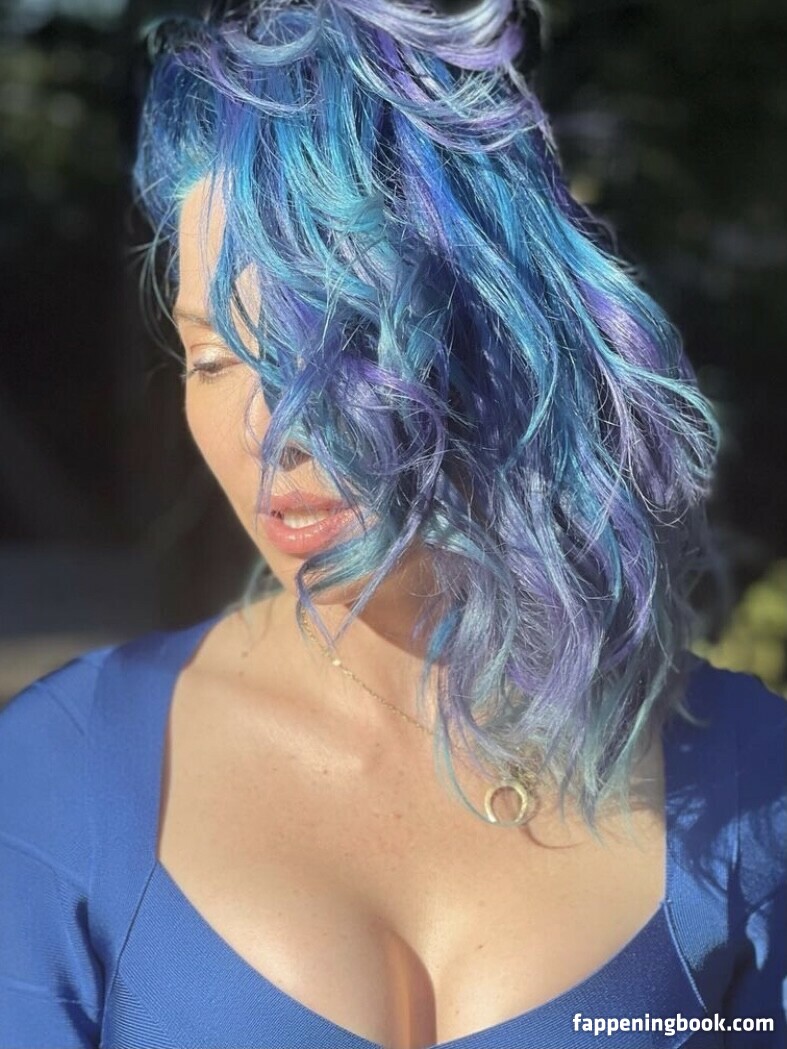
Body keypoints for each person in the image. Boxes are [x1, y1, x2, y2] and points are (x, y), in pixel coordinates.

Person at [1, 1, 785, 1047]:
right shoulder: (56, 778)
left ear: (504, 329)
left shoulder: (752, 785)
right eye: (212, 358)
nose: (273, 431)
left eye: (343, 342)